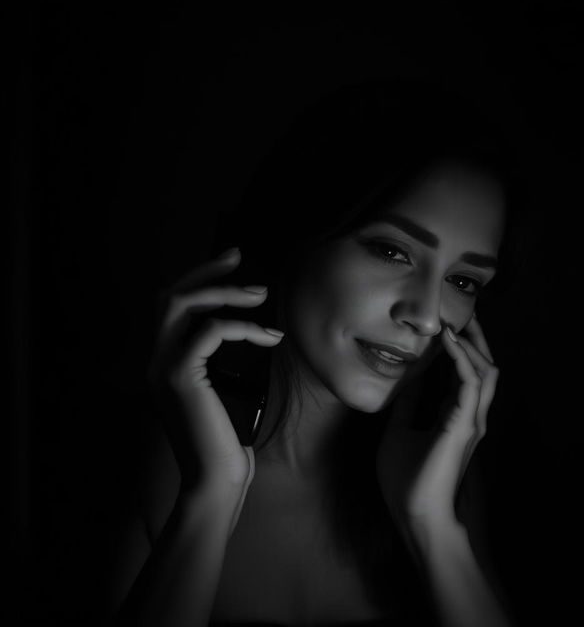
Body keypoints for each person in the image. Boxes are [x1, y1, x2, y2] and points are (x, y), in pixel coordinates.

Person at [106, 78, 527, 626]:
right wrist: (209, 498)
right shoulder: (141, 464)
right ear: (297, 233)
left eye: (465, 281)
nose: (426, 316)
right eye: (392, 250)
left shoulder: (440, 475)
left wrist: (434, 527)